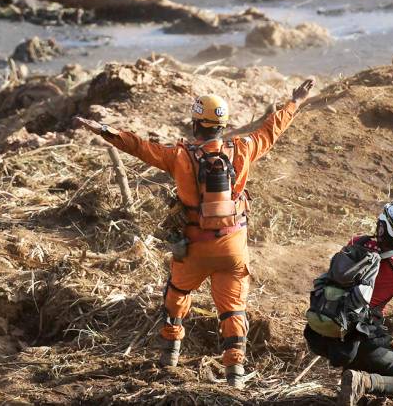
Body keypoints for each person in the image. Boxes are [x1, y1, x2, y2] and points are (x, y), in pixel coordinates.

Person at [77, 78, 314, 388]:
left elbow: (139, 147)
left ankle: (170, 355)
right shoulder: (243, 147)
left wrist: (104, 130)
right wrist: (295, 101)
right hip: (233, 248)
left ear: (196, 124)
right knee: (232, 310)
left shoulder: (180, 156)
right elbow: (272, 128)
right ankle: (236, 375)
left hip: (194, 249)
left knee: (176, 294)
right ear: (222, 124)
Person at [304, 199, 393, 406]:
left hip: (322, 334)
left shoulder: (354, 242)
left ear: (381, 226)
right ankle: (363, 382)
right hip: (360, 343)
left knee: (365, 352)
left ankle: (355, 376)